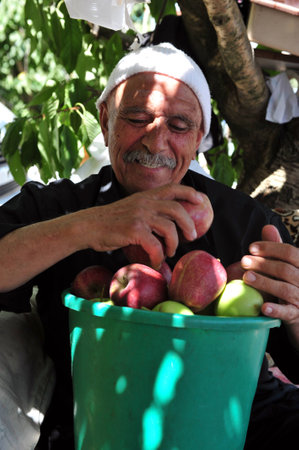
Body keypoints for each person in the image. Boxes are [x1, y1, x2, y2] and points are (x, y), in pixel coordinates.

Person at [0, 43, 298, 449]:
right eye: (138, 119)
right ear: (105, 121)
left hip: (234, 418)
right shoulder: (62, 207)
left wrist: (296, 311)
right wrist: (88, 226)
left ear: (199, 139)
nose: (156, 143)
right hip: (101, 419)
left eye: (179, 127)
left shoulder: (244, 220)